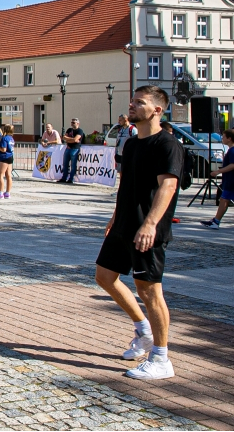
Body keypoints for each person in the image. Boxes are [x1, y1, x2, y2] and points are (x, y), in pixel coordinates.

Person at [95, 85, 183, 380]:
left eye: (140, 102)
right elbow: (127, 185)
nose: (132, 105)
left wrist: (150, 224)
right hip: (123, 225)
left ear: (157, 110)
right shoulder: (131, 144)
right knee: (105, 277)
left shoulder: (167, 145)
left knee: (149, 290)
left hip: (148, 229)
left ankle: (161, 358)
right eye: (132, 101)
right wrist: (115, 216)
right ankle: (143, 330)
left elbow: (167, 187)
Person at [201, 129, 234, 229]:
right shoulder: (231, 150)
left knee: (224, 200)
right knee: (224, 199)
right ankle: (216, 221)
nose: (222, 139)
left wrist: (218, 171)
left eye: (224, 137)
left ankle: (216, 221)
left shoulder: (232, 150)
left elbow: (233, 165)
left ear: (229, 139)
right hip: (229, 180)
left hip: (231, 181)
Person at [61, 118, 85, 183]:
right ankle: (64, 178)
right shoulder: (69, 130)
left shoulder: (80, 131)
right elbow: (64, 137)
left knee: (73, 165)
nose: (72, 123)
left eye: (74, 122)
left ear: (78, 124)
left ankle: (71, 179)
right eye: (72, 122)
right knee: (65, 164)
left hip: (75, 149)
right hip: (68, 148)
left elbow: (76, 139)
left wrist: (70, 139)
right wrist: (72, 139)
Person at [115, 114, 137, 183]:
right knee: (120, 173)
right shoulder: (120, 130)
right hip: (119, 154)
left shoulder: (132, 130)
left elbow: (136, 142)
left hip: (128, 156)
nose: (119, 122)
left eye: (120, 120)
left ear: (126, 120)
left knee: (128, 173)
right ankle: (121, 189)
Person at [0, 125, 15, 199]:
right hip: (10, 156)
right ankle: (8, 192)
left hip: (4, 157)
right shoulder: (11, 138)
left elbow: (4, 149)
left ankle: (0, 193)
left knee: (0, 175)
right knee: (8, 175)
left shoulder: (4, 138)